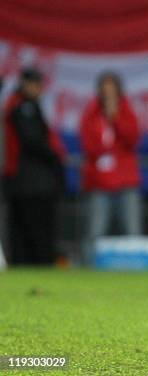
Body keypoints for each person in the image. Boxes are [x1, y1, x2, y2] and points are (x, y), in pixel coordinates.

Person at [2, 68, 65, 265]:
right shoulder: (22, 106)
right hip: (29, 180)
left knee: (28, 227)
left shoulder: (21, 105)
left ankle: (29, 263)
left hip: (27, 179)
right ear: (25, 84)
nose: (39, 89)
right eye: (35, 84)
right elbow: (32, 140)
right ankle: (38, 263)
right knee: (34, 228)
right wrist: (54, 156)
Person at [80, 71, 141, 265]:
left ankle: (134, 265)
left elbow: (133, 138)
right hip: (100, 181)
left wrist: (115, 118)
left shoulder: (126, 111)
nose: (108, 94)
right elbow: (88, 145)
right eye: (104, 90)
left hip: (125, 180)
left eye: (112, 90)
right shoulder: (91, 113)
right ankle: (90, 266)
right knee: (95, 230)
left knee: (131, 230)